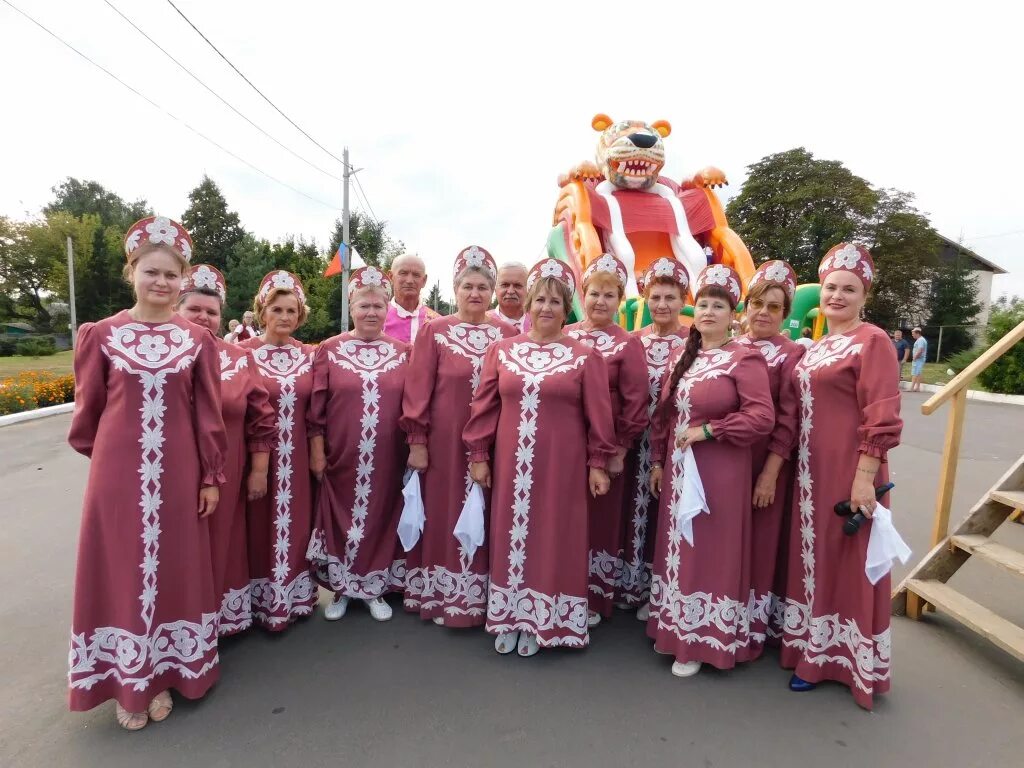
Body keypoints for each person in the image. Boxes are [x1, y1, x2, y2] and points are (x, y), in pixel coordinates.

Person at [67, 216, 226, 730]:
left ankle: (167, 675)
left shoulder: (198, 341)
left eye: (171, 275)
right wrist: (119, 461)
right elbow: (87, 416)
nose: (161, 283)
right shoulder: (102, 335)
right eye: (151, 272)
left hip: (181, 475)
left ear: (182, 280)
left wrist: (209, 475)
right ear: (131, 271)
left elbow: (208, 415)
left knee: (176, 568)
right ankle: (128, 685)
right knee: (122, 571)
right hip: (117, 478)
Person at [463, 258, 616, 655]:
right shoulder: (501, 350)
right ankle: (509, 616)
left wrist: (598, 463)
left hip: (560, 467)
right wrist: (478, 454)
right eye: (540, 300)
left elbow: (599, 415)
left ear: (567, 310)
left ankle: (541, 621)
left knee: (552, 536)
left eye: (555, 301)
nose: (546, 308)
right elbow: (484, 407)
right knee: (508, 535)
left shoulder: (585, 357)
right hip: (510, 464)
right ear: (529, 306)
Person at [778, 242, 902, 710]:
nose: (836, 296)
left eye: (848, 289)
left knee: (843, 560)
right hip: (810, 472)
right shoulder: (820, 346)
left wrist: (864, 477)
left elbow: (882, 413)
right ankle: (809, 646)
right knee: (815, 558)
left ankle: (835, 661)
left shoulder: (873, 342)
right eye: (830, 287)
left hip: (850, 471)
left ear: (863, 295)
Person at [647, 264, 774, 678]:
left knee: (708, 549)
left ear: (732, 314)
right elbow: (664, 417)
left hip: (721, 472)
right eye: (702, 304)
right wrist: (658, 461)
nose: (707, 312)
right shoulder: (686, 356)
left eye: (717, 305)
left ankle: (703, 641)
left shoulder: (745, 358)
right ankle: (677, 629)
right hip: (681, 472)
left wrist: (711, 429)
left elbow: (761, 417)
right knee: (679, 548)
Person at [401, 246, 517, 626]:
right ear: (455, 289)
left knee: (491, 510)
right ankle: (442, 594)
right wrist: (417, 441)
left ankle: (483, 593)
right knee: (444, 510)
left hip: (496, 442)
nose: (475, 293)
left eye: (483, 287)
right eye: (467, 286)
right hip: (443, 442)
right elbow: (417, 390)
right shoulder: (434, 332)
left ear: (493, 292)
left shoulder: (508, 334)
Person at [307, 267, 411, 622]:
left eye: (378, 306)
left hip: (388, 459)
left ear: (387, 309)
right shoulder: (330, 350)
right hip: (342, 457)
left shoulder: (403, 353)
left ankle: (374, 589)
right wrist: (318, 451)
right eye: (364, 305)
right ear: (351, 307)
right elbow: (317, 407)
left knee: (381, 519)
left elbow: (412, 405)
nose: (371, 312)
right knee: (341, 522)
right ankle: (342, 588)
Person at [176, 264, 275, 636]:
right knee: (177, 552)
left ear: (222, 317)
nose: (203, 317)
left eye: (211, 311)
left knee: (219, 546)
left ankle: (213, 624)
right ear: (178, 308)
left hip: (226, 472)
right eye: (194, 309)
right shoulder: (163, 357)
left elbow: (261, 421)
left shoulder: (238, 358)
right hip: (171, 472)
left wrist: (259, 471)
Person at [565, 254, 648, 626]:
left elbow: (636, 401)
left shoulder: (627, 344)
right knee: (566, 516)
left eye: (609, 295)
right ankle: (563, 585)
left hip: (608, 444)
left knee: (600, 518)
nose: (600, 301)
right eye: (594, 293)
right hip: (566, 444)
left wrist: (620, 450)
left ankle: (594, 596)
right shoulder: (565, 335)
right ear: (583, 295)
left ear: (620, 300)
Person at [238, 271, 317, 630]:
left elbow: (318, 410)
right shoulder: (242, 355)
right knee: (256, 525)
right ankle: (256, 600)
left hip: (297, 458)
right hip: (257, 458)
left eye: (291, 311)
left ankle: (293, 597)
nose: (284, 317)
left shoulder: (309, 356)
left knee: (297, 523)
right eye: (277, 309)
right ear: (262, 311)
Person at [735, 260, 805, 658]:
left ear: (785, 314)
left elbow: (789, 418)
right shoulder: (728, 346)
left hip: (766, 464)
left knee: (759, 542)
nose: (762, 312)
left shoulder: (790, 354)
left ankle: (752, 627)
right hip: (727, 462)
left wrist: (770, 472)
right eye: (757, 303)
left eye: (773, 307)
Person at [616, 257, 690, 619]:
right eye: (655, 297)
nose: (661, 305)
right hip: (634, 441)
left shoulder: (695, 341)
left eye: (670, 298)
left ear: (682, 300)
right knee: (632, 508)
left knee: (666, 513)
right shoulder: (634, 341)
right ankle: (630, 582)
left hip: (675, 445)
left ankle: (659, 591)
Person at [385, 253, 441, 343]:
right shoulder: (378, 318)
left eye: (416, 275)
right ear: (391, 277)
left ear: (424, 280)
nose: (409, 281)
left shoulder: (437, 322)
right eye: (403, 273)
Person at [489, 261, 531, 332]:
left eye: (517, 285)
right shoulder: (483, 322)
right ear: (495, 289)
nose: (510, 291)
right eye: (505, 285)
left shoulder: (538, 322)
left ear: (528, 290)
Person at [911, 327, 928, 391]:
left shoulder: (920, 340)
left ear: (917, 333)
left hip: (918, 359)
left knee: (915, 373)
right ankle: (917, 387)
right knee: (918, 373)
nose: (912, 335)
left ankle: (911, 388)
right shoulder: (921, 340)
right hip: (920, 359)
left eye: (913, 333)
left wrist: (915, 357)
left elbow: (920, 350)